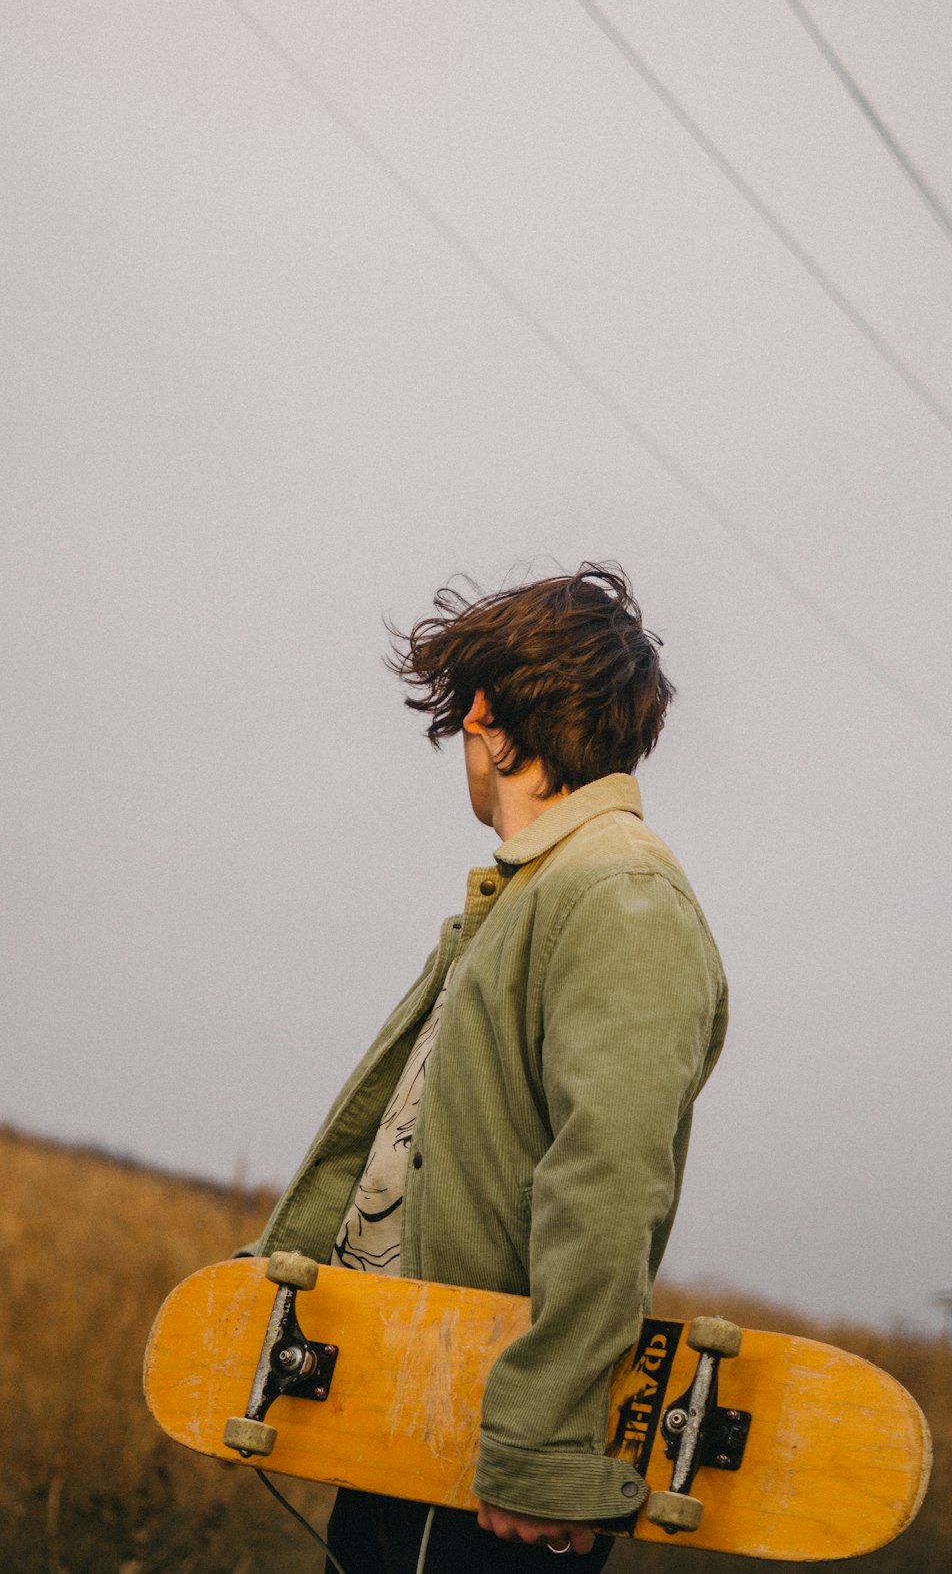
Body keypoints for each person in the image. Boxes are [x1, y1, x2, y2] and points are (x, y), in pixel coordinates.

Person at [247, 564, 728, 1571]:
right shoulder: (529, 894)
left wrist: (542, 1447)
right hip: (411, 1423)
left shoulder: (620, 893)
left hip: (490, 1470)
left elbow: (607, 1180)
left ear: (482, 714)